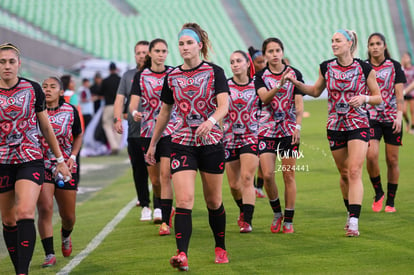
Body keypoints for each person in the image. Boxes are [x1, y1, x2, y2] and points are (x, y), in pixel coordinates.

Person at [146, 23, 229, 271]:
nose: (184, 47)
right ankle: (182, 254)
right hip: (182, 142)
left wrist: (211, 121)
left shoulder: (215, 72)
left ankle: (220, 246)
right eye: (181, 44)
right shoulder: (172, 76)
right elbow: (164, 113)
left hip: (211, 142)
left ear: (199, 46)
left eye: (189, 43)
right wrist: (152, 144)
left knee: (213, 201)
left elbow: (223, 106)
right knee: (184, 199)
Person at [284, 29, 382, 237]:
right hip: (335, 127)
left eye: (338, 41)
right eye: (332, 41)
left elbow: (378, 97)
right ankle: (350, 211)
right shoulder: (326, 67)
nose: (334, 44)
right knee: (345, 174)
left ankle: (354, 221)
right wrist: (296, 84)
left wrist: (363, 98)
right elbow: (315, 92)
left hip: (358, 124)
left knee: (355, 170)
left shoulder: (364, 68)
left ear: (349, 43)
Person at [0, 43, 71, 275]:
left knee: (25, 213)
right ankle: (18, 266)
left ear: (19, 64)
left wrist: (59, 159)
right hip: (2, 162)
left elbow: (46, 127)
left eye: (11, 61)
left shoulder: (32, 89)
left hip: (30, 158)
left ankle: (22, 272)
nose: (7, 66)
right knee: (9, 220)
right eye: (2, 62)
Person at [254, 37, 304, 234]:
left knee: (288, 175)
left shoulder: (295, 73)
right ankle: (277, 213)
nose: (274, 54)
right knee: (267, 175)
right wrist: (280, 84)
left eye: (277, 50)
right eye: (270, 51)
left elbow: (299, 106)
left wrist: (297, 128)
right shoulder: (260, 76)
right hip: (266, 131)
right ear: (264, 55)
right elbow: (264, 97)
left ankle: (289, 220)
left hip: (288, 132)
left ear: (282, 52)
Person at [129, 39, 175, 233]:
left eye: (164, 51)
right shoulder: (141, 76)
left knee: (166, 176)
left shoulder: (173, 74)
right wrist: (134, 114)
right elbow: (133, 103)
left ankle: (165, 221)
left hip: (170, 131)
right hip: (147, 131)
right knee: (155, 181)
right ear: (150, 53)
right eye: (157, 50)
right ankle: (163, 206)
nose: (161, 54)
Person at [37, 77, 83, 267]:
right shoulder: (35, 111)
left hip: (65, 166)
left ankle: (66, 235)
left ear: (61, 91)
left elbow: (78, 134)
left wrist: (72, 156)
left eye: (52, 87)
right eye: (44, 87)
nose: (48, 90)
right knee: (45, 208)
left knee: (69, 216)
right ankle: (49, 253)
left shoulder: (70, 110)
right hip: (41, 164)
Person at [365, 33, 406, 213]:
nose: (375, 47)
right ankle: (378, 192)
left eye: (378, 43)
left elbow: (399, 96)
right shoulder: (364, 67)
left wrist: (399, 116)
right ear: (368, 47)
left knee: (392, 160)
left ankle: (391, 200)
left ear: (384, 46)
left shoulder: (394, 66)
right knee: (371, 155)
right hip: (371, 118)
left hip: (391, 118)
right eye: (372, 44)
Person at [113, 40, 151, 219]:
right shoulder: (128, 76)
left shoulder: (158, 73)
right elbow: (120, 99)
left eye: (145, 52)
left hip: (156, 132)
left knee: (159, 171)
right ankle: (145, 205)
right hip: (135, 131)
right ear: (134, 55)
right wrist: (117, 118)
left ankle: (161, 206)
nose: (142, 56)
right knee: (139, 169)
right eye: (139, 53)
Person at [223, 50, 259, 233]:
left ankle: (248, 221)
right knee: (234, 186)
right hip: (228, 139)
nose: (235, 64)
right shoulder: (225, 86)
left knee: (247, 178)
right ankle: (243, 211)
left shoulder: (257, 86)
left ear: (247, 64)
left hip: (250, 137)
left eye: (239, 61)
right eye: (232, 62)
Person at [248, 46, 266, 198]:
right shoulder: (248, 80)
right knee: (253, 158)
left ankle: (258, 187)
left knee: (263, 159)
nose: (263, 64)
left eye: (263, 61)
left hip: (266, 123)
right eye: (259, 62)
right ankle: (252, 186)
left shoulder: (268, 78)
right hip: (251, 124)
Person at [101, 62, 122, 154]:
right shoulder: (120, 80)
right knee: (118, 125)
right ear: (116, 69)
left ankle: (113, 145)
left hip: (109, 105)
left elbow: (100, 92)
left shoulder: (105, 81)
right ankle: (117, 145)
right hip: (120, 105)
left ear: (109, 70)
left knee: (107, 125)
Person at [401, 52, 414, 133]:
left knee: (412, 111)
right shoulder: (402, 69)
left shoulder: (413, 69)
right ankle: (407, 121)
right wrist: (402, 65)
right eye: (404, 57)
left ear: (410, 58)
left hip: (412, 92)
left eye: (406, 57)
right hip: (404, 93)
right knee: (404, 111)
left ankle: (412, 127)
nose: (405, 59)